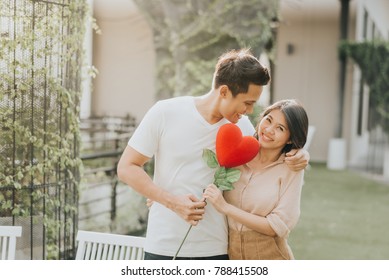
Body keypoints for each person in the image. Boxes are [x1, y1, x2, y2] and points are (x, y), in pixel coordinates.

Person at [117, 48, 309, 260]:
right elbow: (127, 167)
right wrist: (170, 200)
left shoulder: (244, 129)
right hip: (163, 244)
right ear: (224, 91)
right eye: (247, 103)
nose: (250, 111)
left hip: (216, 249)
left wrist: (302, 154)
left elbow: (272, 152)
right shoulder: (165, 112)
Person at [203, 99, 308, 260]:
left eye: (280, 128)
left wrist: (225, 207)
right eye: (268, 120)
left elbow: (277, 226)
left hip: (272, 255)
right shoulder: (238, 156)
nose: (269, 130)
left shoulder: (291, 169)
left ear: (290, 139)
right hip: (232, 254)